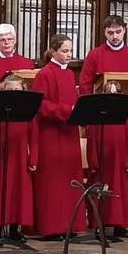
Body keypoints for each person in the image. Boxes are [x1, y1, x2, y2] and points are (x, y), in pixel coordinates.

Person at [78, 16, 128, 238]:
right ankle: (98, 219)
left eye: (118, 31)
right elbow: (86, 86)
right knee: (99, 170)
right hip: (99, 122)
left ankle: (121, 221)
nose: (114, 36)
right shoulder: (95, 55)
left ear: (124, 30)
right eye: (110, 33)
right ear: (104, 33)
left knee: (123, 171)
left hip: (124, 122)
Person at [31, 34, 87, 239]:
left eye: (70, 51)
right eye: (65, 51)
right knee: (52, 184)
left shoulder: (70, 75)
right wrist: (67, 110)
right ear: (53, 51)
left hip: (69, 132)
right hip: (51, 134)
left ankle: (69, 225)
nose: (69, 55)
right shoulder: (44, 74)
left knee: (69, 181)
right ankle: (51, 227)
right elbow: (41, 105)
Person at [0, 74, 36, 240]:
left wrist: (33, 159)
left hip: (21, 158)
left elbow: (34, 137)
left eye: (17, 89)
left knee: (18, 193)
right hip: (2, 157)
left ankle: (15, 229)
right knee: (1, 191)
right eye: (10, 89)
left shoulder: (28, 110)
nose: (14, 92)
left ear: (23, 90)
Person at [0, 23, 34, 88]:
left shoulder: (28, 64)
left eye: (9, 39)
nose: (6, 43)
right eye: (2, 40)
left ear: (15, 40)